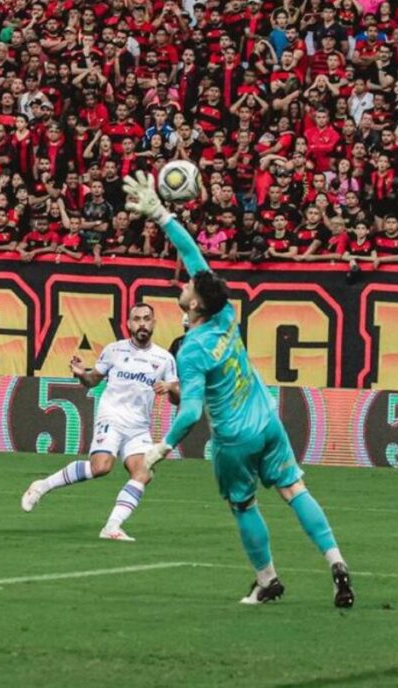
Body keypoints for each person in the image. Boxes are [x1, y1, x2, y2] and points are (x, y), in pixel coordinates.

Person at [124, 172, 353, 607]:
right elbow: (192, 254)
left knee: (243, 505)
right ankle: (336, 561)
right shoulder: (225, 311)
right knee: (294, 491)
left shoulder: (192, 349)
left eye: (187, 285)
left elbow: (191, 412)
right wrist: (161, 215)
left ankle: (267, 580)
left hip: (234, 438)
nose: (184, 283)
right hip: (266, 419)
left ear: (194, 304)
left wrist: (161, 447)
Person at [20, 304, 179, 541]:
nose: (142, 324)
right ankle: (43, 485)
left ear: (154, 323)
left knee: (143, 472)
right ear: (129, 324)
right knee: (101, 467)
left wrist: (170, 388)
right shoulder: (114, 350)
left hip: (138, 427)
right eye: (137, 319)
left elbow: (178, 397)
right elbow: (92, 380)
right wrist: (80, 373)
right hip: (111, 417)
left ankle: (112, 527)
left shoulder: (165, 358)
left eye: (147, 319)